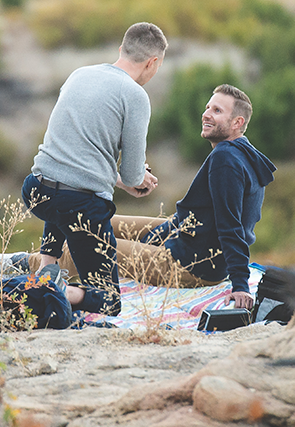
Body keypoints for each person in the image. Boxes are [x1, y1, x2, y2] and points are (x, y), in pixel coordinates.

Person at [34, 84, 276, 310]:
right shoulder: (243, 154)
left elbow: (231, 225)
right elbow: (198, 216)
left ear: (237, 122)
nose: (206, 114)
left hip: (191, 265)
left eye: (217, 110)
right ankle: (34, 262)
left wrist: (241, 285)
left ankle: (16, 265)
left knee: (87, 243)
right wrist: (153, 238)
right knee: (87, 219)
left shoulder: (226, 160)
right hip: (188, 239)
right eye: (207, 108)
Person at [16, 22, 167, 315]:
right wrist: (136, 181)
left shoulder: (80, 74)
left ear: (121, 49)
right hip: (79, 206)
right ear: (153, 63)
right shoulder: (135, 96)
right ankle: (55, 289)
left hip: (36, 190)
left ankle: (48, 264)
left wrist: (119, 181)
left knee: (63, 197)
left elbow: (76, 157)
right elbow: (134, 174)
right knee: (109, 302)